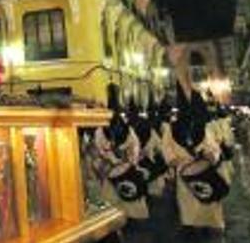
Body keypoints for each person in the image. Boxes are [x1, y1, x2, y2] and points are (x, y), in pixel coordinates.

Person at [162, 84, 227, 234]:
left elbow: (214, 148)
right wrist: (178, 161)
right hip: (185, 174)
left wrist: (211, 155)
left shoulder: (202, 127)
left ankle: (210, 225)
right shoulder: (171, 130)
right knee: (189, 202)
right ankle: (193, 225)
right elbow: (168, 153)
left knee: (208, 199)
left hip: (203, 170)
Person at [94, 84, 149, 221]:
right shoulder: (101, 131)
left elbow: (135, 145)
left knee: (127, 194)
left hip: (123, 167)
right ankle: (117, 220)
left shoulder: (125, 129)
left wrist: (130, 160)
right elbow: (99, 149)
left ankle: (128, 218)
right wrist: (113, 159)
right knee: (113, 197)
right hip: (113, 169)